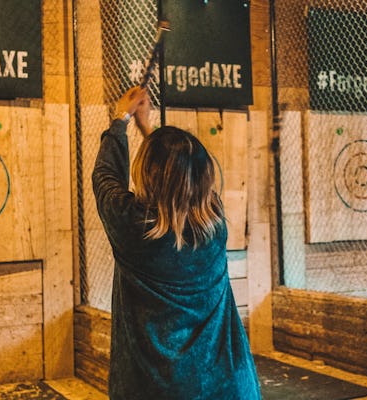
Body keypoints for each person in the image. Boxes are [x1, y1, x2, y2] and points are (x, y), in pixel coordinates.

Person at [93, 86, 260, 400]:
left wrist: (122, 120)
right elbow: (181, 176)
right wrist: (147, 128)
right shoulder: (215, 221)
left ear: (147, 172)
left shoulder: (132, 225)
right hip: (229, 386)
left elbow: (105, 174)